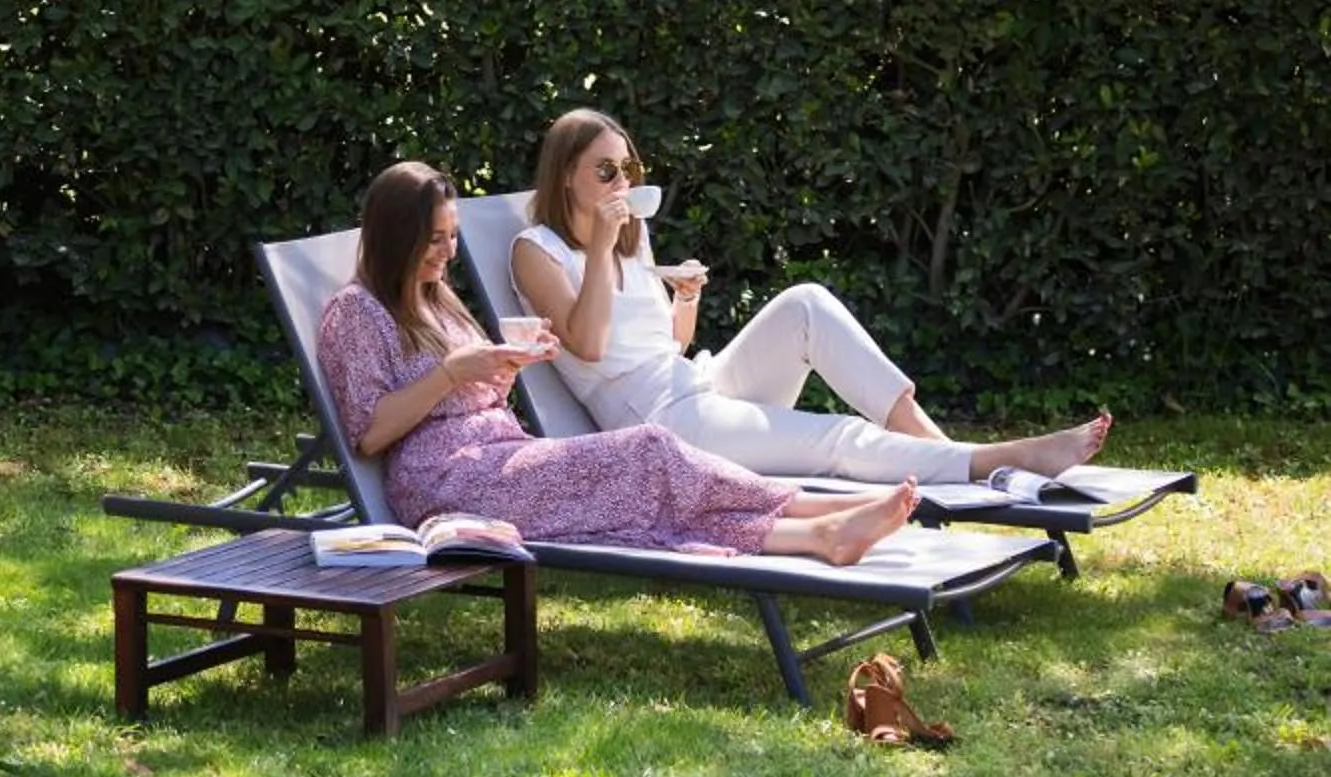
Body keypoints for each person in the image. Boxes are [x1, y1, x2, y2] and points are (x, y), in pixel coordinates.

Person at [318, 160, 917, 563]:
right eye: (434, 240)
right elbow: (369, 433)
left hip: (497, 459)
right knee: (646, 453)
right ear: (395, 236)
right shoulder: (357, 313)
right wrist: (454, 372)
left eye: (452, 236)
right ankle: (820, 511)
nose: (447, 252)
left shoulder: (434, 299)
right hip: (444, 485)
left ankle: (822, 529)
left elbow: (469, 388)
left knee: (645, 488)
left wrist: (505, 366)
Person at [508, 108, 1110, 485]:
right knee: (832, 438)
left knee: (806, 303)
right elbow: (586, 347)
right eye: (605, 171)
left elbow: (667, 344)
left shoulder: (627, 237)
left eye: (628, 169)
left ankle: (937, 447)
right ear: (566, 175)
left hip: (693, 385)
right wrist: (602, 245)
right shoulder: (536, 252)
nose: (623, 182)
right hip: (657, 424)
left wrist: (683, 298)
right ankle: (990, 462)